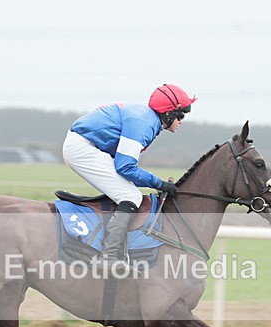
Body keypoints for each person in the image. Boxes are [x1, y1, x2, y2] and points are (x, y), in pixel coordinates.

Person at [62, 83, 197, 272]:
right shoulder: (144, 123)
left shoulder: (147, 119)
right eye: (181, 114)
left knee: (128, 191)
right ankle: (109, 256)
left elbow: (126, 168)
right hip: (82, 149)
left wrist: (156, 183)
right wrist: (159, 183)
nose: (182, 120)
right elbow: (125, 167)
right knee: (131, 196)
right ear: (168, 113)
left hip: (85, 145)